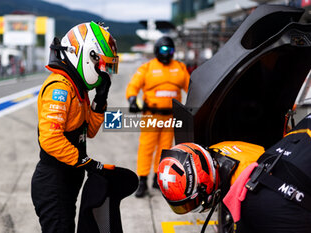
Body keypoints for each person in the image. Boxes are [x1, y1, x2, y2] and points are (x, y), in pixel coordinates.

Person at [31, 21, 119, 233]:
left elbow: (90, 131)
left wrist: (100, 98)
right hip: (54, 180)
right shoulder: (60, 87)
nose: (103, 72)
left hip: (69, 176)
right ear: (87, 56)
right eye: (102, 65)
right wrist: (86, 162)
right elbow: (50, 139)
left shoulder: (77, 87)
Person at [157, 114, 311, 233]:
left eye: (191, 203)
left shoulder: (245, 188)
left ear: (205, 182)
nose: (193, 207)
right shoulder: (219, 149)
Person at [126, 36, 190, 198]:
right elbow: (133, 85)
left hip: (170, 117)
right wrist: (132, 99)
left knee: (165, 149)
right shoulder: (147, 68)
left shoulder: (180, 68)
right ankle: (142, 181)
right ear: (156, 50)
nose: (167, 53)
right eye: (163, 50)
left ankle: (158, 178)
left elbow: (192, 88)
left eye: (170, 50)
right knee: (146, 148)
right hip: (151, 116)